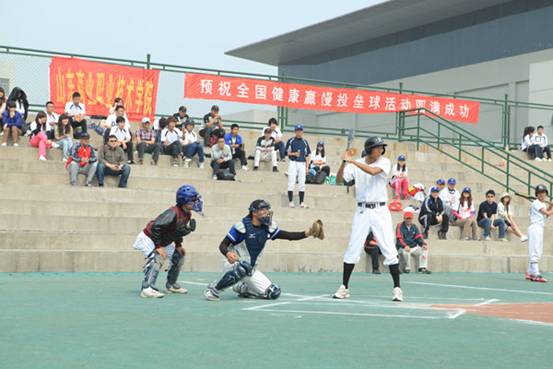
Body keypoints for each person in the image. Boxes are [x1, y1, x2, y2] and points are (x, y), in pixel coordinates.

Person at [204, 200, 323, 301]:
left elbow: (289, 236)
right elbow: (223, 245)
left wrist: (308, 232)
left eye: (267, 210)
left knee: (273, 293)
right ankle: (213, 290)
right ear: (254, 212)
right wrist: (228, 253)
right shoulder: (241, 227)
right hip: (233, 264)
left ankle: (241, 287)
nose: (267, 213)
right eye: (263, 210)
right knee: (242, 268)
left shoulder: (267, 229)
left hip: (250, 269)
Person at [333, 136, 403, 302]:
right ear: (370, 149)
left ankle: (397, 288)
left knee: (389, 248)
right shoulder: (355, 163)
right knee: (353, 247)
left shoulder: (384, 162)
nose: (380, 150)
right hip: (362, 210)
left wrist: (352, 161)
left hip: (380, 210)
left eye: (381, 147)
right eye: (377, 147)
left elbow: (372, 171)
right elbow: (339, 180)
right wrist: (344, 162)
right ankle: (344, 287)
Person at [133, 185, 202, 298]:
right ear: (185, 200)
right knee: (157, 257)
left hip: (162, 239)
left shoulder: (187, 214)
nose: (196, 202)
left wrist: (178, 245)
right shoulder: (173, 212)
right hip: (149, 238)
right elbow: (156, 227)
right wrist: (158, 247)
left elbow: (176, 230)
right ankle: (147, 288)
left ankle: (171, 284)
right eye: (193, 200)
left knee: (178, 256)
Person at [526, 184, 553, 283]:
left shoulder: (542, 204)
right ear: (536, 194)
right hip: (535, 227)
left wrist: (551, 205)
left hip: (539, 227)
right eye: (540, 193)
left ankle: (530, 272)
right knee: (535, 251)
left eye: (544, 193)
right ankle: (536, 274)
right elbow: (548, 213)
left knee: (539, 252)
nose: (542, 195)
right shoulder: (536, 202)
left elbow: (546, 215)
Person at [286, 125, 311, 208]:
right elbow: (286, 152)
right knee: (291, 181)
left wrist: (307, 167)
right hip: (293, 162)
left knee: (302, 182)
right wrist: (294, 154)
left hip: (302, 163)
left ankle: (301, 202)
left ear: (302, 132)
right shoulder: (291, 140)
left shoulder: (305, 142)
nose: (299, 132)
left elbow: (307, 155)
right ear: (295, 131)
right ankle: (290, 201)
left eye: (300, 131)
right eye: (297, 130)